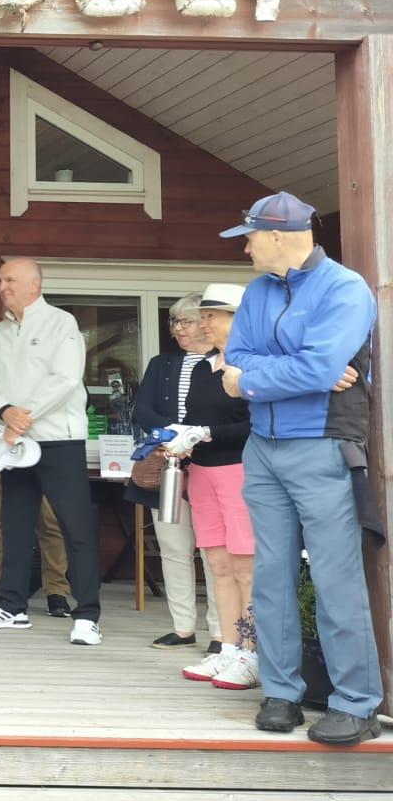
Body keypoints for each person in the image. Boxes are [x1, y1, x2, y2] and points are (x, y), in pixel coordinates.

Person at [219, 192, 383, 746]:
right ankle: (281, 693)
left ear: (278, 236)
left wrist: (255, 379)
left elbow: (312, 368)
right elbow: (237, 359)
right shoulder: (257, 292)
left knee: (336, 577)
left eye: (249, 238)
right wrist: (288, 372)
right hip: (263, 447)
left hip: (321, 445)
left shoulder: (344, 289)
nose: (245, 248)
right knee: (271, 575)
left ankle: (356, 703)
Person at [0, 258, 103, 644]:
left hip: (59, 439)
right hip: (16, 443)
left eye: (10, 279)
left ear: (35, 285)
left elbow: (66, 378)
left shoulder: (61, 323)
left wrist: (22, 416)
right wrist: (5, 412)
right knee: (14, 524)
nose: (2, 286)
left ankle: (87, 615)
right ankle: (12, 606)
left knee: (74, 527)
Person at [174, 283, 259, 688]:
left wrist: (208, 433)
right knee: (219, 566)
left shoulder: (253, 364)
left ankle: (252, 654)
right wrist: (179, 437)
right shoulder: (200, 367)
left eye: (211, 316)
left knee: (246, 568)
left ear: (237, 319)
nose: (203, 323)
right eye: (202, 316)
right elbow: (195, 419)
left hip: (240, 471)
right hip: (202, 473)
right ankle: (228, 648)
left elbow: (255, 423)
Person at [127, 295, 223, 651]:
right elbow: (142, 410)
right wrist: (175, 436)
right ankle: (183, 628)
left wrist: (195, 439)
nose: (177, 329)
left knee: (214, 550)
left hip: (211, 463)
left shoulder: (224, 362)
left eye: (186, 321)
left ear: (205, 323)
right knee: (173, 547)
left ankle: (220, 631)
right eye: (174, 322)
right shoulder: (162, 364)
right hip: (167, 464)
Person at [0, 387, 72, 619]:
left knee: (50, 520)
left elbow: (73, 397)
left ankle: (57, 591)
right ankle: (3, 586)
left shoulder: (53, 368)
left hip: (41, 447)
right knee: (1, 520)